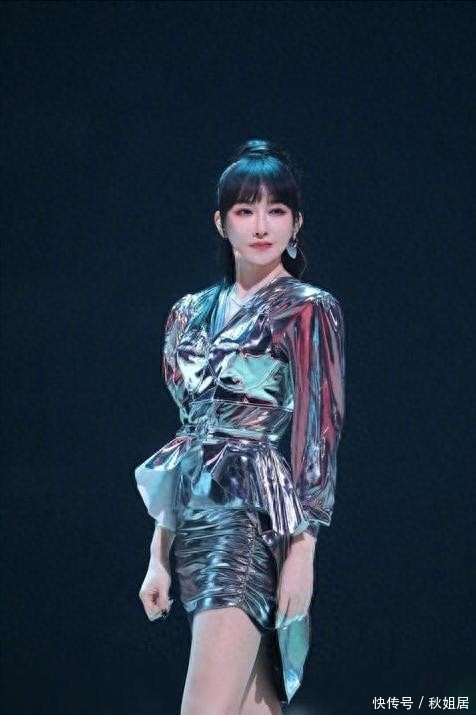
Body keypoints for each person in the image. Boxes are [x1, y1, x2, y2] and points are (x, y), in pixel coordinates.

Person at [134, 138, 346, 714]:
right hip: (194, 525)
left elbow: (317, 435)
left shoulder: (306, 307)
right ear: (220, 223)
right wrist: (158, 555)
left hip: (250, 522)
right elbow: (188, 438)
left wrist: (302, 552)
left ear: (296, 224)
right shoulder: (188, 313)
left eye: (276, 210)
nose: (261, 225)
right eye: (245, 210)